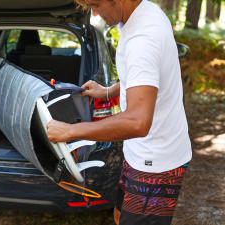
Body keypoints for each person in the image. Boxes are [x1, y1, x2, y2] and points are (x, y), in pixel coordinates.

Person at [46, 0, 192, 224]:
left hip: (156, 162)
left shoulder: (143, 39)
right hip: (139, 151)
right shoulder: (142, 12)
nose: (94, 14)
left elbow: (137, 123)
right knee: (120, 215)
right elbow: (144, 79)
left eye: (96, 4)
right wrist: (107, 91)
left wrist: (70, 131)